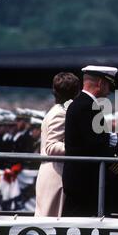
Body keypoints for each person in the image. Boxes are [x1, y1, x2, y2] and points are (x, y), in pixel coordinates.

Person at [62, 65, 118, 217]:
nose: (109, 91)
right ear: (101, 84)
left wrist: (106, 137)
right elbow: (97, 147)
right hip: (84, 181)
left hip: (80, 179)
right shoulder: (87, 107)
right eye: (109, 85)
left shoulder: (81, 104)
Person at [35, 72, 80, 217]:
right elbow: (52, 146)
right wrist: (80, 148)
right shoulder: (60, 113)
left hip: (54, 171)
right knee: (51, 224)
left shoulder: (58, 111)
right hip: (56, 175)